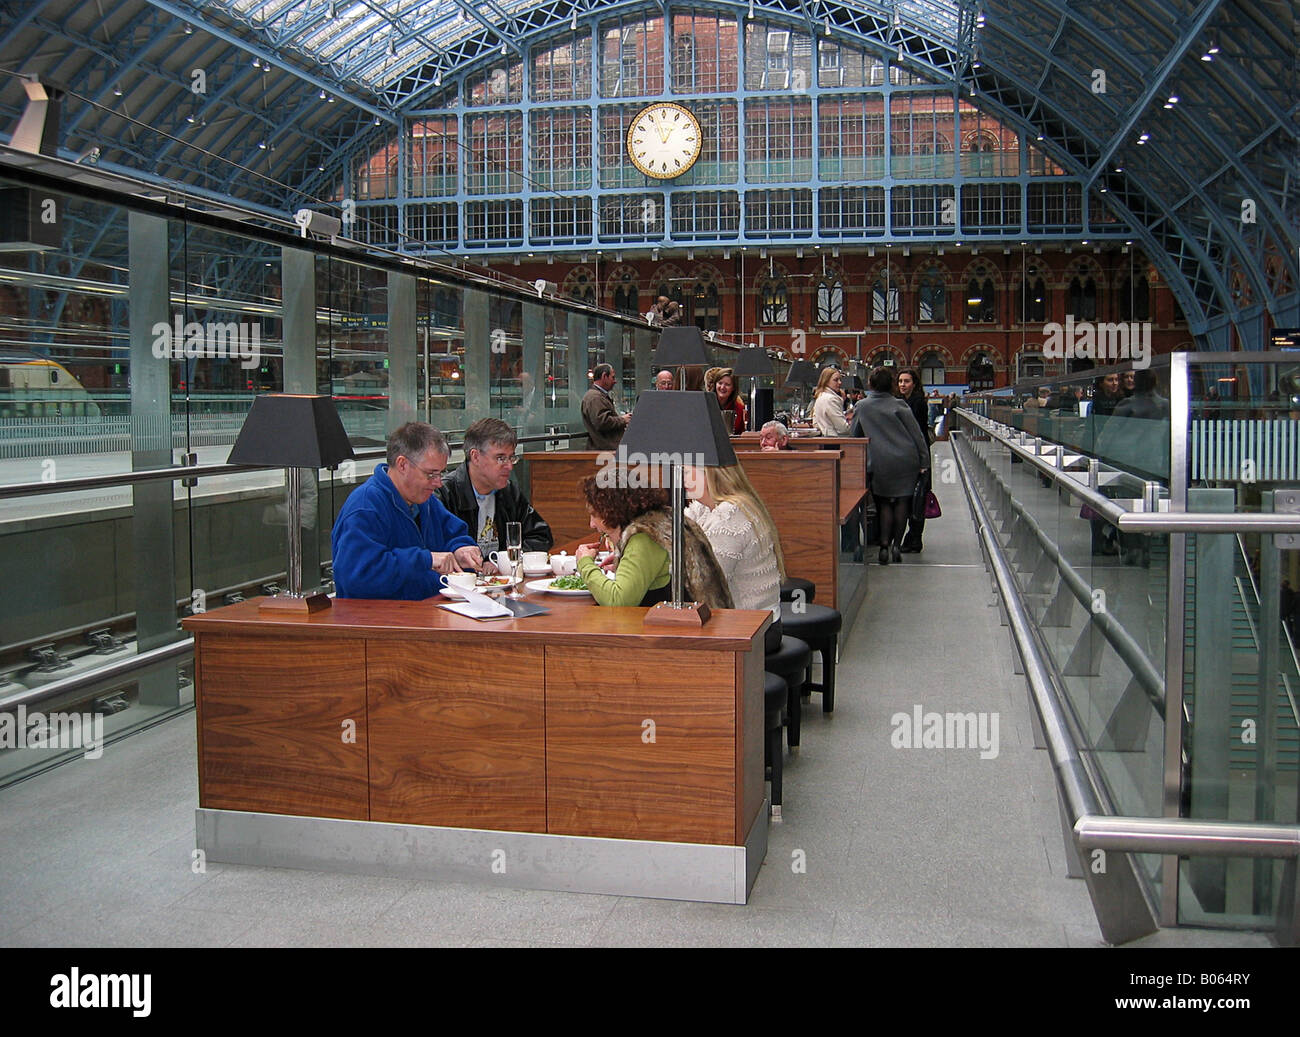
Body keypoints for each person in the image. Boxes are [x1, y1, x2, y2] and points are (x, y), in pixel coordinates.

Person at [331, 422, 481, 600]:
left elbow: (453, 534)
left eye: (441, 473)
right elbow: (358, 577)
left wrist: (461, 549)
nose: (438, 483)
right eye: (431, 474)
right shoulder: (365, 507)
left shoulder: (427, 501)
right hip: (379, 621)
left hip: (427, 611)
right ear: (402, 464)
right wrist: (427, 559)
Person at [575, 477, 733, 609]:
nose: (592, 524)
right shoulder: (662, 520)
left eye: (594, 514)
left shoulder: (644, 537)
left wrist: (585, 563)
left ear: (610, 510)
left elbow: (618, 601)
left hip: (678, 635)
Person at [436, 417, 554, 558]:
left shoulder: (509, 492)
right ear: (475, 457)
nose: (509, 466)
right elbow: (437, 549)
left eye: (511, 457)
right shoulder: (443, 493)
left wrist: (502, 561)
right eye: (500, 458)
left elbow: (540, 536)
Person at [849, 366, 930, 565]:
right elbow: (917, 435)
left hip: (879, 462)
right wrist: (924, 461)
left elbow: (855, 435)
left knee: (884, 503)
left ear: (870, 384)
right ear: (892, 384)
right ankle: (896, 546)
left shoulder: (862, 406)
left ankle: (883, 545)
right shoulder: (900, 405)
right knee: (902, 502)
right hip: (905, 460)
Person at [684, 464, 784, 624]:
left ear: (710, 474)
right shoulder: (704, 508)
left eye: (688, 472)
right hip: (747, 621)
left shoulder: (730, 517)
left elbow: (707, 582)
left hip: (754, 627)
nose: (684, 479)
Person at [897, 367, 932, 554]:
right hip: (907, 456)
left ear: (914, 383)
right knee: (910, 498)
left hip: (918, 456)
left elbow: (918, 434)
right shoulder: (901, 401)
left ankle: (915, 538)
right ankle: (911, 537)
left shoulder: (918, 402)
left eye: (907, 381)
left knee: (918, 498)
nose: (903, 384)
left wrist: (921, 462)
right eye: (901, 381)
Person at [581, 362, 630, 449]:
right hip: (604, 451)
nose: (615, 381)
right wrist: (623, 420)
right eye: (613, 377)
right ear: (604, 376)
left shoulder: (597, 396)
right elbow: (602, 422)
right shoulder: (595, 397)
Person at [705, 366, 746, 434]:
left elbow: (740, 433)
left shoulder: (739, 408)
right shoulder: (705, 404)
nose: (722, 387)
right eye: (720, 383)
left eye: (727, 384)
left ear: (733, 388)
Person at [811, 367, 850, 436]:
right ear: (826, 381)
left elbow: (815, 424)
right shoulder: (831, 399)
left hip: (824, 439)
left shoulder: (820, 396)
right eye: (836, 380)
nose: (840, 382)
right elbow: (843, 428)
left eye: (840, 379)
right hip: (834, 441)